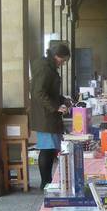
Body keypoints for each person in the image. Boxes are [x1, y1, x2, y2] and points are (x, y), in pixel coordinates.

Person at [30, 43, 70, 190]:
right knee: (46, 149)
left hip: (48, 114)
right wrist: (56, 106)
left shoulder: (49, 67)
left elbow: (49, 92)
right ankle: (45, 183)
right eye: (63, 60)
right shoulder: (45, 69)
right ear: (56, 56)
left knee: (50, 148)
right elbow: (39, 92)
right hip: (45, 115)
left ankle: (47, 181)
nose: (63, 63)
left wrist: (62, 100)